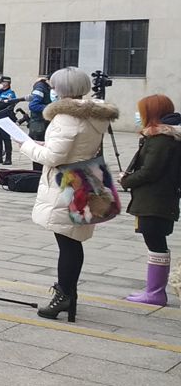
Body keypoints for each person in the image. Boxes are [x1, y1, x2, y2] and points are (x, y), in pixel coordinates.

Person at [15, 67, 119, 323]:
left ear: (61, 89)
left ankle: (64, 295)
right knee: (73, 241)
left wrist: (26, 145)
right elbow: (75, 147)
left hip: (67, 183)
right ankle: (68, 292)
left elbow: (53, 157)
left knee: (67, 243)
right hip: (85, 176)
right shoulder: (96, 115)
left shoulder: (66, 118)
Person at [118, 95, 180, 307]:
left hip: (155, 200)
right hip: (156, 198)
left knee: (155, 241)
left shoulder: (161, 139)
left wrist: (126, 180)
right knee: (155, 241)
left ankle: (155, 292)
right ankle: (154, 290)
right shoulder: (161, 138)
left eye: (141, 111)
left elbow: (150, 171)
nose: (138, 115)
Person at [27, 75, 52, 172]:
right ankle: (37, 174)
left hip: (45, 123)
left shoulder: (47, 87)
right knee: (39, 152)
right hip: (39, 125)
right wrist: (51, 108)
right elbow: (33, 105)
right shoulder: (40, 88)